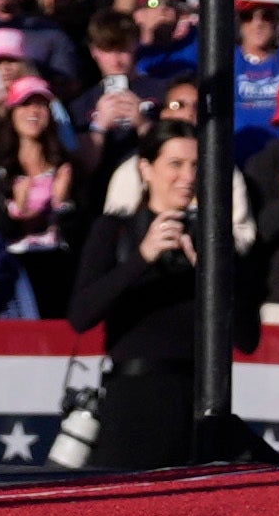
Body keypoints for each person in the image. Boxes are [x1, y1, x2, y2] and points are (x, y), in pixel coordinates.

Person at [66, 126, 256, 467]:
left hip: (202, 408)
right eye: (176, 164)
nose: (187, 177)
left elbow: (247, 338)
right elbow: (81, 316)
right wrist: (143, 257)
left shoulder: (217, 240)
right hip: (132, 406)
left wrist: (211, 274)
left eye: (197, 165)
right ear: (146, 168)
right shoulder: (114, 230)